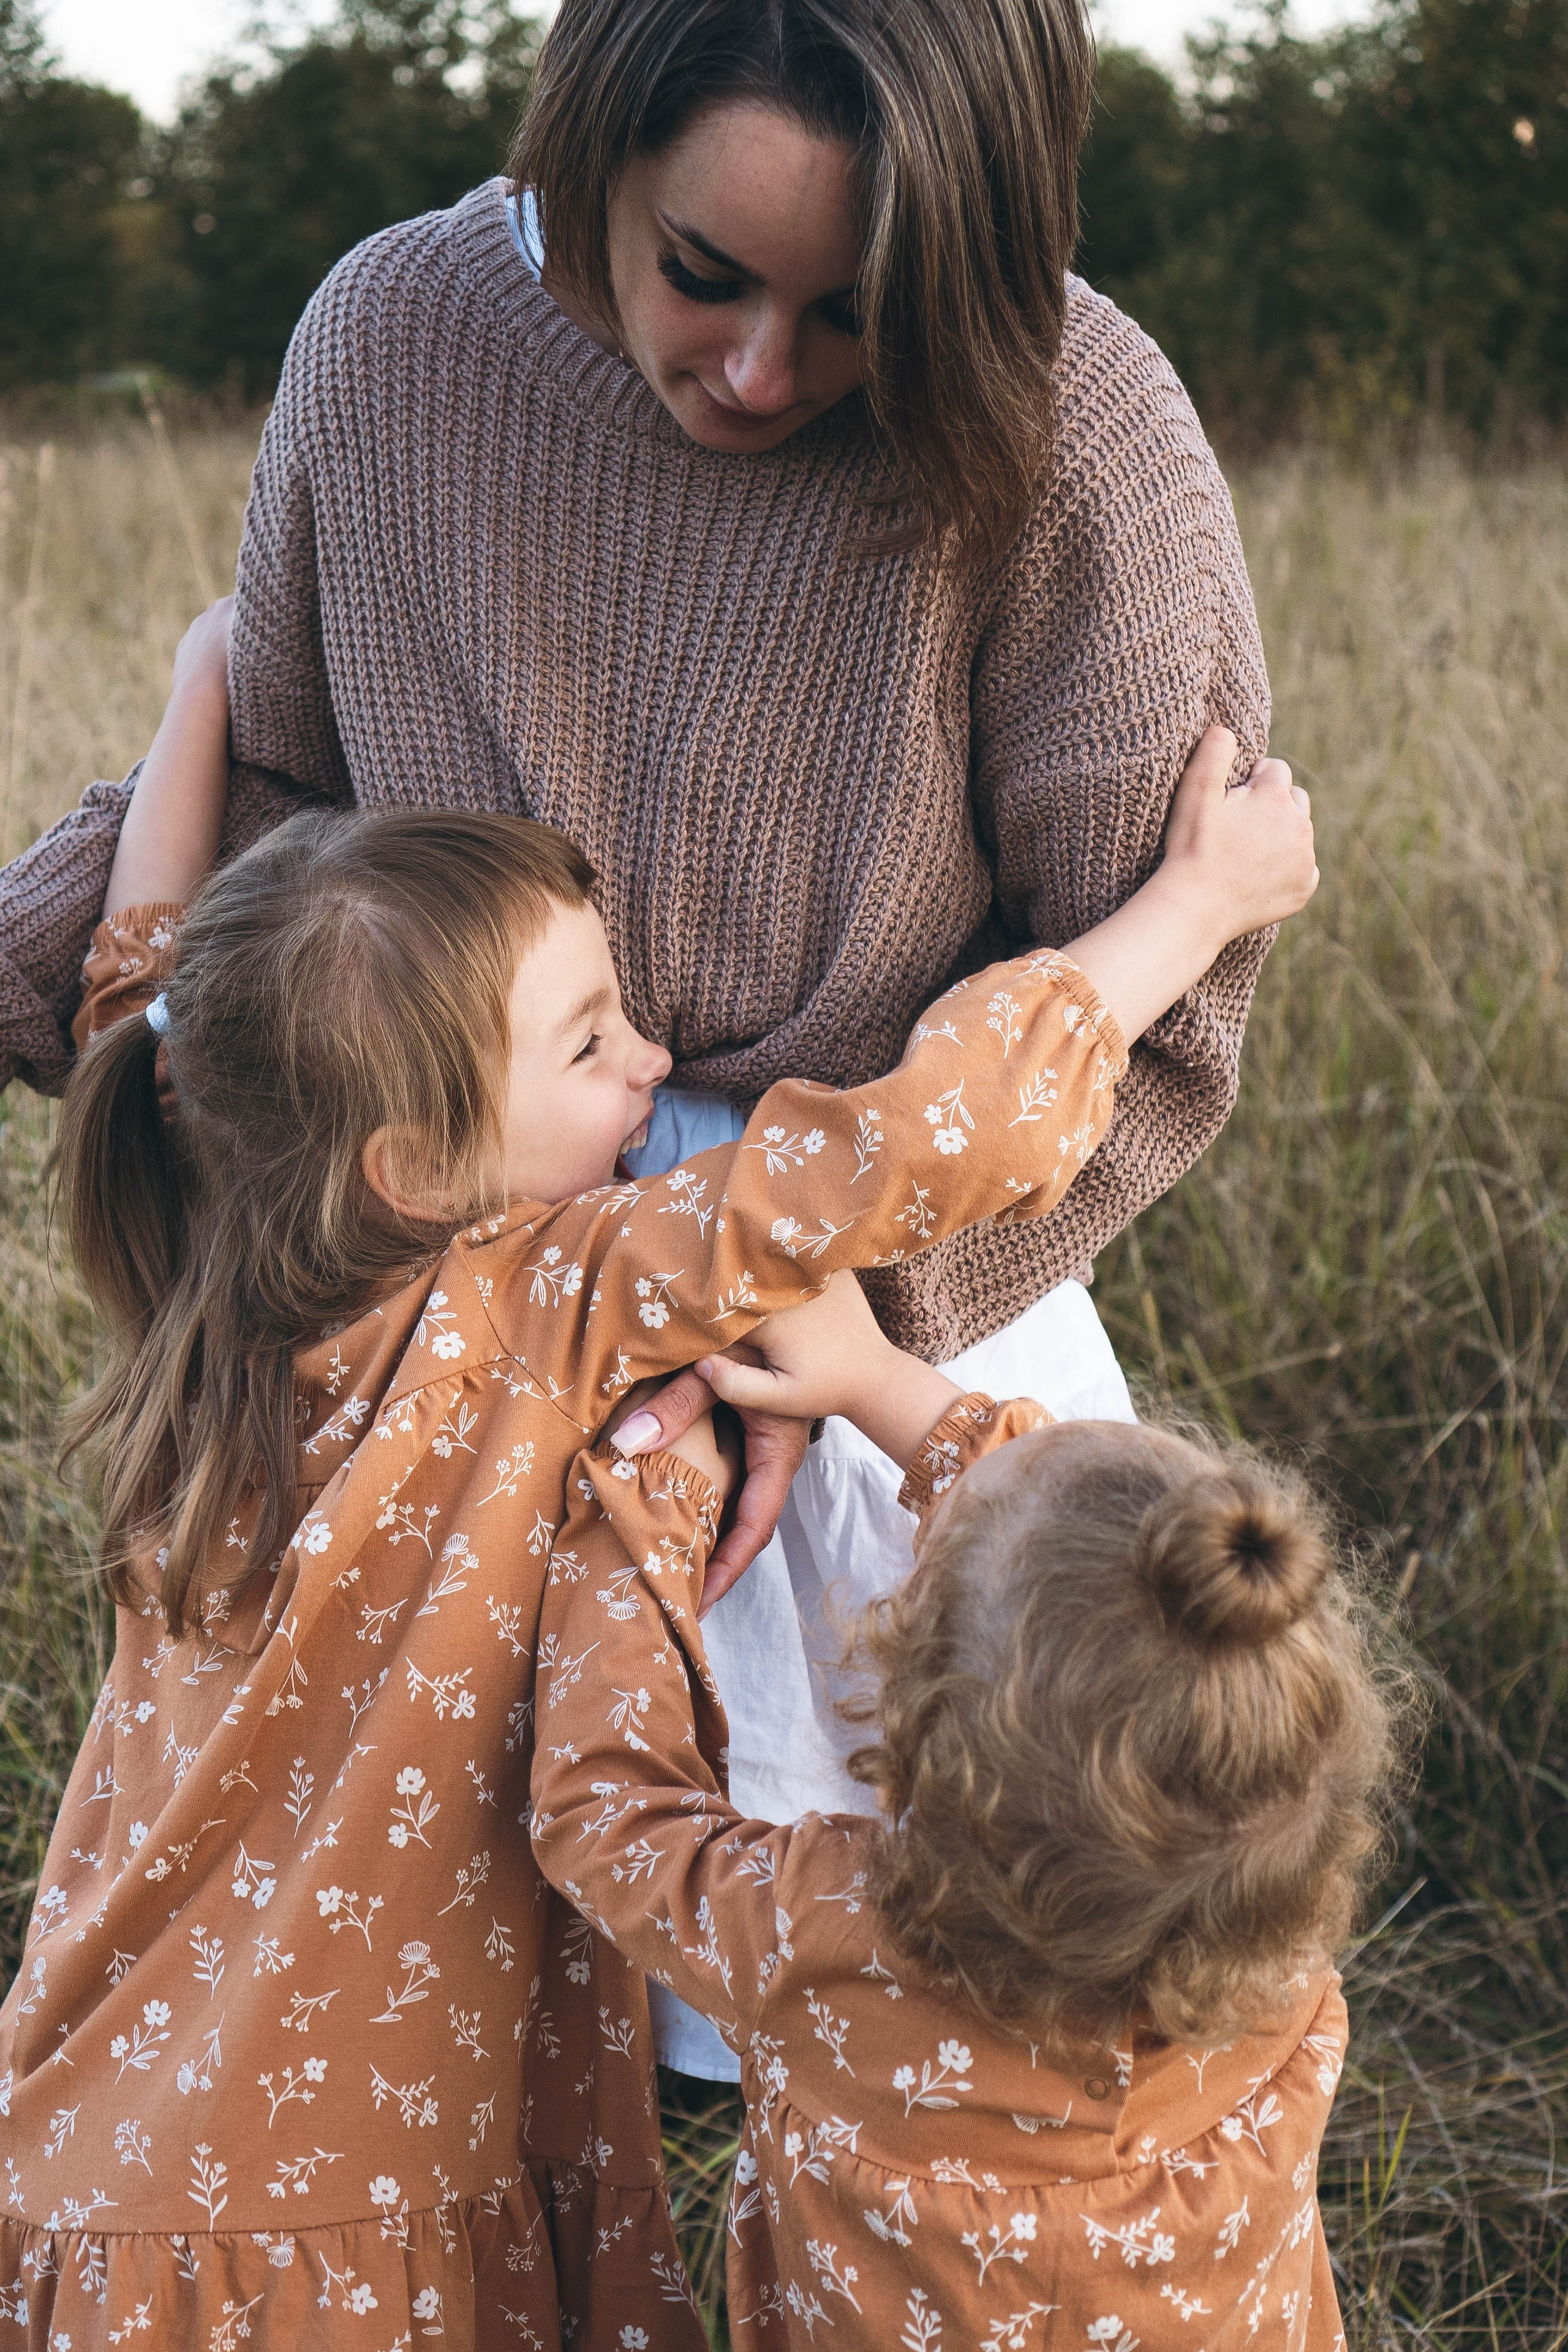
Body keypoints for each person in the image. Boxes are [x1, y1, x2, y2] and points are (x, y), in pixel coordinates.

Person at [0, 0, 1274, 2080]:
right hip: (454, 1274)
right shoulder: (392, 340)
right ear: (585, 147)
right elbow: (293, 818)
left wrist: (847, 1316)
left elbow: (1152, 1000)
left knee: (920, 2003)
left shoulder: (1082, 421)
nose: (763, 373)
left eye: (855, 314)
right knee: (455, 1988)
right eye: (702, 273)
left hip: (886, 1257)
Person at [0, 617, 1316, 2346]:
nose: (653, 1062)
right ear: (417, 1167)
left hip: (101, 2133)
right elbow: (916, 1145)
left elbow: (139, 985)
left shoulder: (201, 1244)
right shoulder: (546, 1294)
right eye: (590, 1041)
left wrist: (198, 698)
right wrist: (1201, 907)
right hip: (352, 2199)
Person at [530, 1286, 1414, 2347]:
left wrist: (658, 1500)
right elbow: (1063, 1567)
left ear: (907, 1758)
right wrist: (871, 1374)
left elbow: (607, 1814)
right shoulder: (1272, 1939)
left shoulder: (827, 1937)